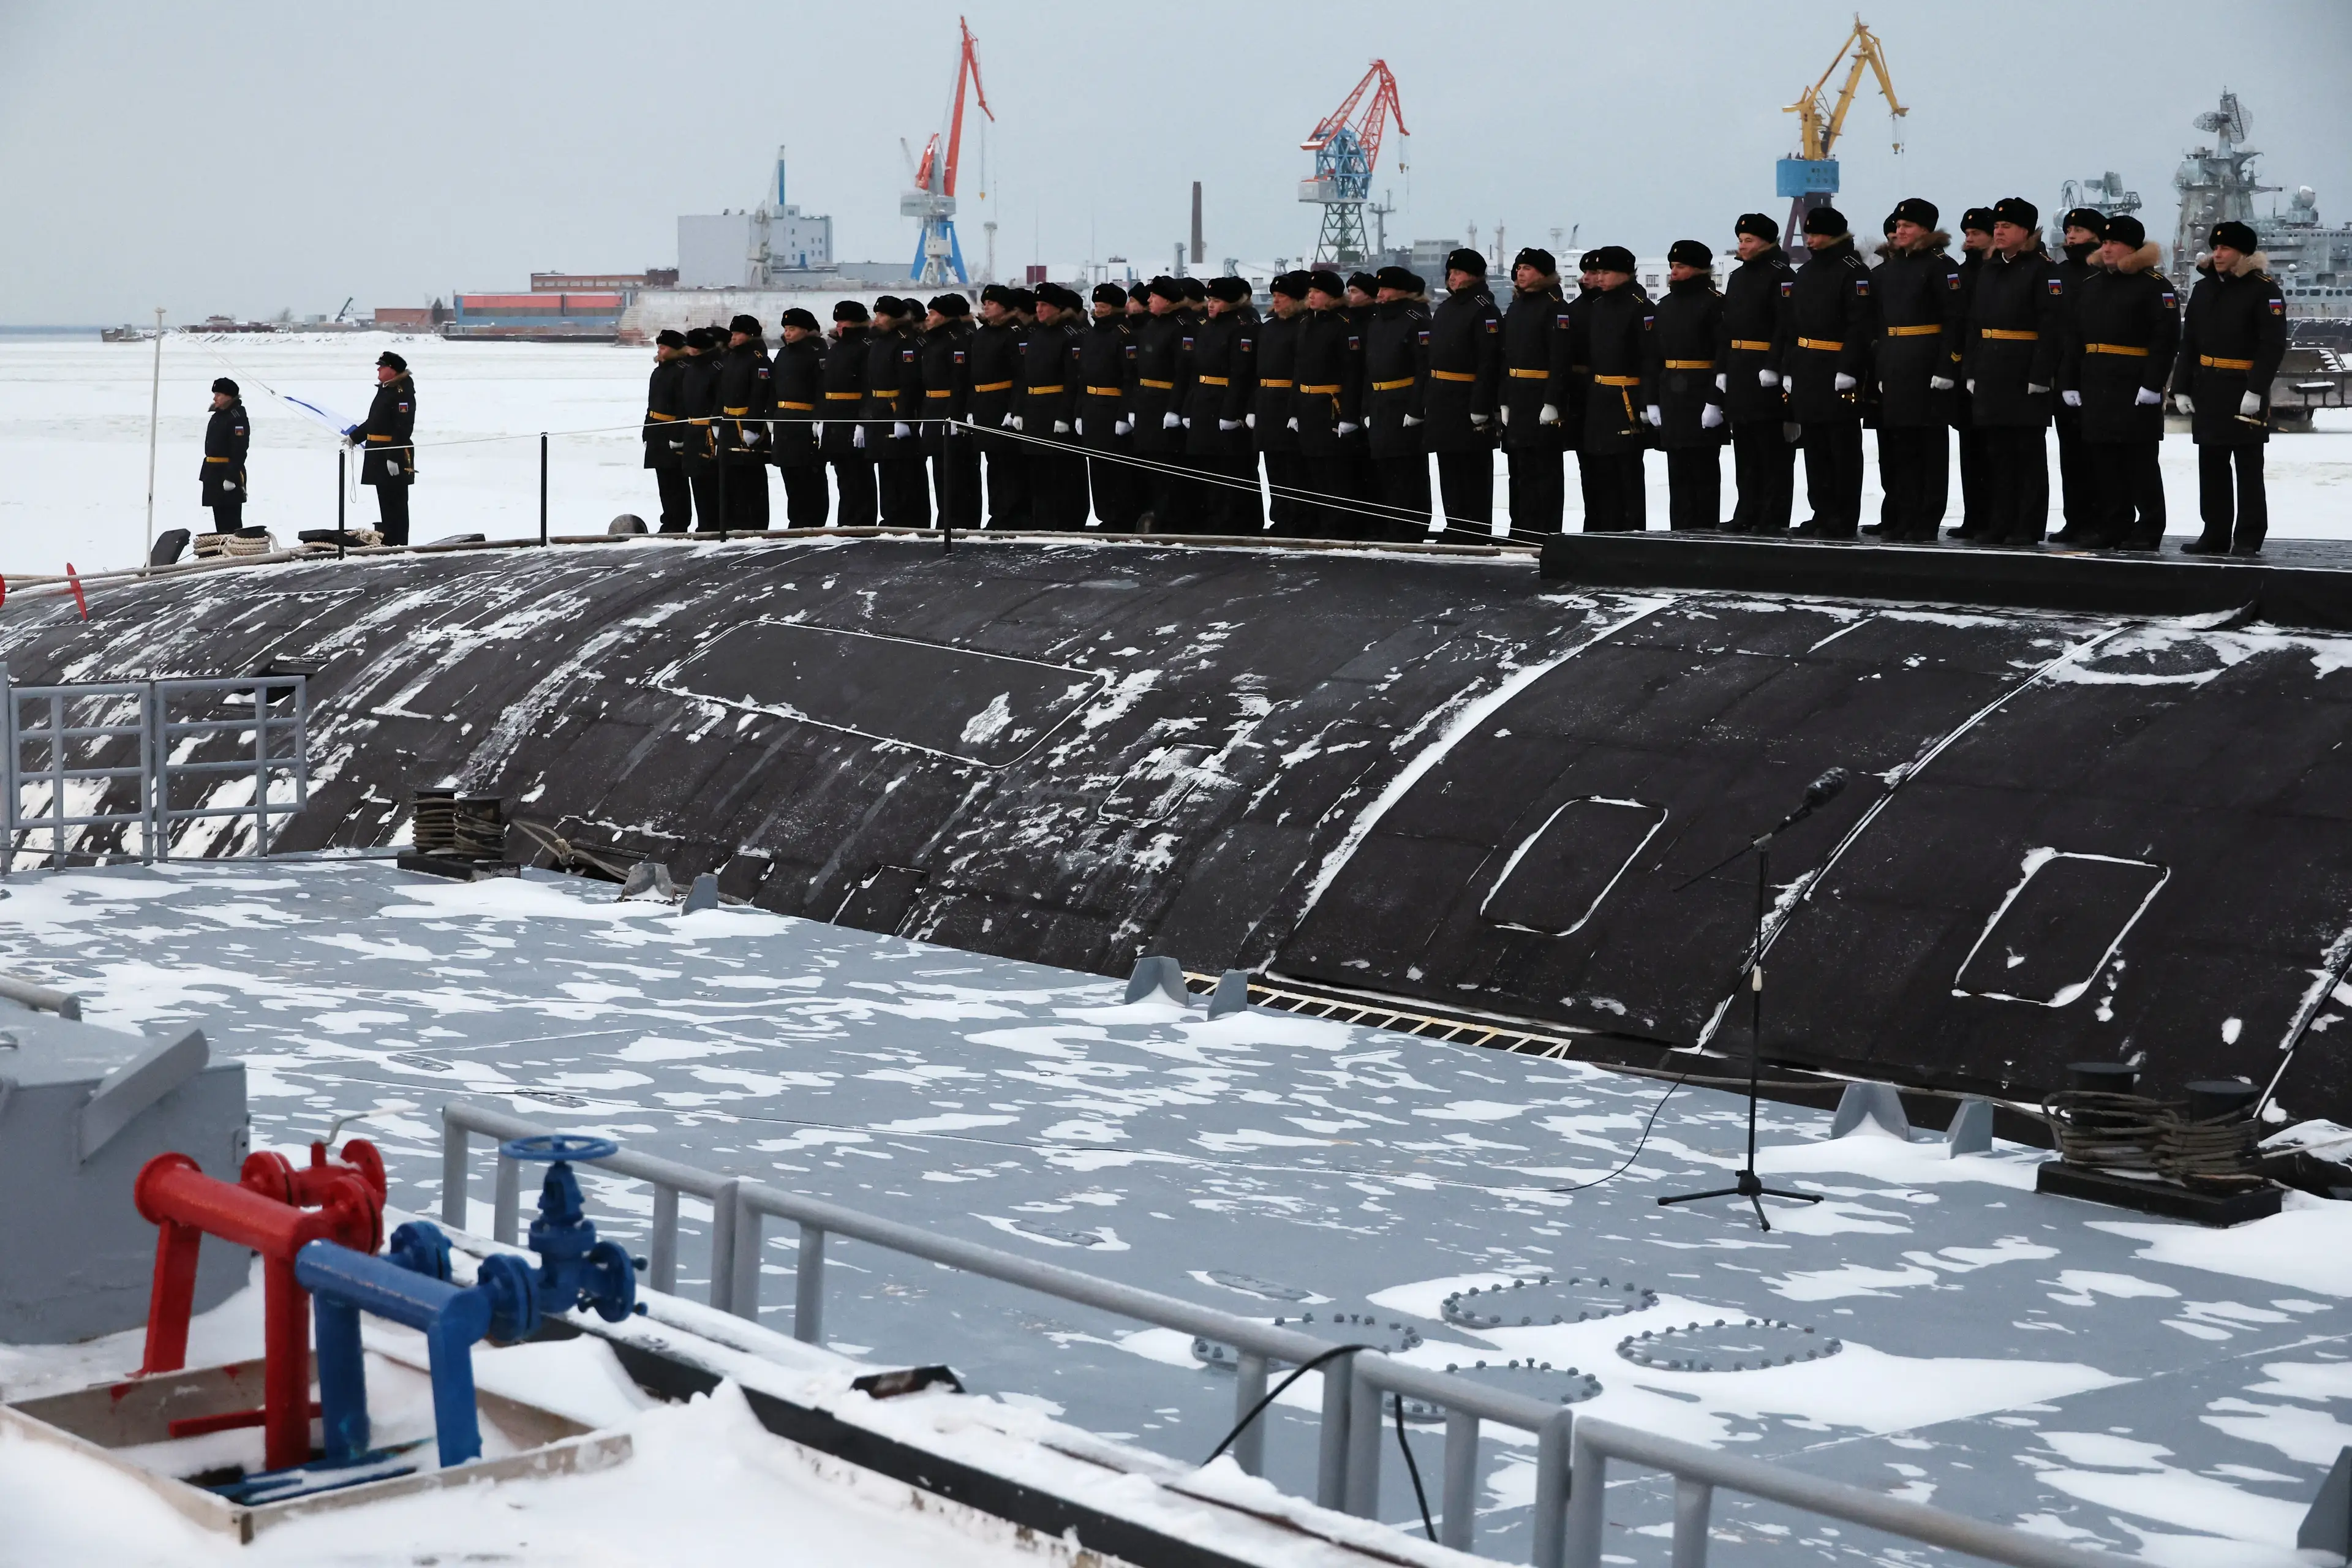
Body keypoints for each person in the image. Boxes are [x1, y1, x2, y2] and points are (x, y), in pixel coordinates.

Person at [2060, 214, 2177, 551]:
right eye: (2105, 242)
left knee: (2139, 460)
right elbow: (2075, 338)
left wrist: (2152, 384)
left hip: (2133, 383)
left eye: (2114, 243)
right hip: (2096, 381)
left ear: (2132, 247)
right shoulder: (2092, 285)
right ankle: (2116, 523)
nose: (2106, 248)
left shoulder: (2155, 286)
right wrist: (2070, 381)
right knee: (2104, 460)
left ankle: (2150, 525)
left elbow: (2165, 340)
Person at [2173, 219, 2287, 555]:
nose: (2217, 254)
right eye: (2215, 248)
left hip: (2242, 390)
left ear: (2243, 253)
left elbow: (2272, 346)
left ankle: (2249, 536)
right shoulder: (2204, 289)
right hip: (2208, 387)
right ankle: (2215, 533)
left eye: (2225, 248)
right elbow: (2189, 343)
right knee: (2211, 464)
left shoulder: (2264, 289)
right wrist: (2181, 388)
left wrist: (2255, 391)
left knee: (2249, 467)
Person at [1966, 197, 2065, 547]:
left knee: (2027, 455)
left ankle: (2027, 525)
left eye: (2006, 226)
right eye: (1996, 226)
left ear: (2026, 231)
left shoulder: (2042, 269)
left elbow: (2051, 327)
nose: (1999, 231)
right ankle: (2000, 521)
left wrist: (2041, 376)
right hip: (1992, 370)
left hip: (2023, 373)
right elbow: (1976, 322)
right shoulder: (1990, 268)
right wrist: (1972, 367)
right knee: (1997, 455)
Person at [1777, 206, 1875, 540]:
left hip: (1835, 368)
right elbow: (1792, 326)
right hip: (1807, 368)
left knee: (1842, 449)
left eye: (1816, 233)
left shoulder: (1852, 271)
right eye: (1807, 233)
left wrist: (1849, 368)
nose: (1810, 239)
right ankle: (1821, 511)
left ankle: (1843, 516)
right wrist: (1789, 367)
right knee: (1815, 447)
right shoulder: (1805, 272)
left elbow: (1860, 326)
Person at [1870, 198, 1963, 542]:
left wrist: (1946, 366)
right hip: (1896, 364)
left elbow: (1954, 320)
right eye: (1897, 225)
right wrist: (1882, 370)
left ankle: (1927, 517)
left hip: (1927, 364)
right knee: (1901, 446)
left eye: (1907, 225)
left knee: (1929, 447)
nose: (1900, 231)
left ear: (1926, 229)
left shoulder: (1941, 266)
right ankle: (1905, 515)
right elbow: (1884, 325)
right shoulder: (1894, 268)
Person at [1718, 214, 1796, 534]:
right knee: (1745, 447)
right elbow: (1727, 328)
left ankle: (1773, 514)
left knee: (1771, 449)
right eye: (1740, 240)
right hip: (1739, 369)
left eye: (1748, 240)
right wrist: (1722, 368)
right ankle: (1747, 509)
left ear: (1766, 241)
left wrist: (1775, 365)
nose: (1742, 246)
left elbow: (1785, 325)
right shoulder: (1737, 277)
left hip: (1765, 368)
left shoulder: (1782, 276)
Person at [1644, 241, 1726, 531]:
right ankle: (1679, 529)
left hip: (1700, 393)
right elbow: (1653, 356)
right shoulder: (1664, 306)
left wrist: (1715, 401)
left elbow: (1722, 356)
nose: (1673, 272)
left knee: (1703, 469)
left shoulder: (1715, 303)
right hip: (1671, 395)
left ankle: (1704, 530)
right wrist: (1652, 399)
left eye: (1680, 267)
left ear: (1698, 269)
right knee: (1677, 469)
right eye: (1672, 267)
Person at [1423, 247, 1501, 536]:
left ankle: (1475, 528)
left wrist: (1481, 406)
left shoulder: (1483, 309)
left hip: (1467, 399)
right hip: (1443, 401)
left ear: (1474, 276)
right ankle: (1455, 523)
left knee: (1473, 471)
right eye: (1451, 273)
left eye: (1458, 273)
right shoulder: (1446, 308)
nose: (1452, 278)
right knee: (1449, 468)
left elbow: (1489, 361)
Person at [1499, 247, 1571, 541]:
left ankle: (1544, 532)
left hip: (1540, 396)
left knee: (1544, 472)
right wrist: (1503, 399)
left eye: (1527, 268)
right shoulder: (1516, 306)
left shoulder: (1554, 306)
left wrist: (1552, 401)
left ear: (1542, 273)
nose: (1520, 273)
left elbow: (1561, 359)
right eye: (1518, 268)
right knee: (1518, 470)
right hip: (1518, 398)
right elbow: (1506, 357)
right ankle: (1521, 529)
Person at [1578, 245, 1651, 531]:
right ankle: (1605, 527)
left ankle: (1631, 529)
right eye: (1597, 272)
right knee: (1601, 468)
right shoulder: (1599, 306)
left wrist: (1646, 403)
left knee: (1627, 470)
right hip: (1600, 397)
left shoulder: (1639, 306)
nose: (1600, 278)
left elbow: (1648, 358)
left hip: (1626, 397)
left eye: (1606, 272)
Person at [2048, 206, 2109, 544]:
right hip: (2065, 374)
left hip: (2098, 374)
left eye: (2079, 231)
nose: (2071, 236)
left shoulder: (2103, 274)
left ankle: (2104, 519)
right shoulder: (2057, 274)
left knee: (2099, 453)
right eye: (2069, 230)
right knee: (2070, 454)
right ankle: (2076, 518)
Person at [1358, 265, 1431, 541]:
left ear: (1401, 290)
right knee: (1384, 470)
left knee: (1407, 471)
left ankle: (1412, 526)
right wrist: (1366, 407)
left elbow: (1423, 369)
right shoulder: (1377, 321)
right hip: (1379, 403)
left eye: (1386, 288)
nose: (1381, 294)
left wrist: (1416, 408)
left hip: (1403, 403)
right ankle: (1392, 525)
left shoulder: (1415, 319)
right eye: (1380, 289)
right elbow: (1370, 368)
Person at [1291, 269, 1365, 538]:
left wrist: (1349, 414)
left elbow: (1353, 374)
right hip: (1308, 405)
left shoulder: (1344, 325)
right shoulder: (1305, 324)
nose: (1311, 296)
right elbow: (1298, 370)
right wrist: (1294, 409)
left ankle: (1339, 526)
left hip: (1331, 406)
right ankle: (1321, 523)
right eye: (1310, 292)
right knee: (1313, 470)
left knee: (1335, 472)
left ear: (1331, 296)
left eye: (1317, 292)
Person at [1185, 276, 1262, 535]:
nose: (1211, 305)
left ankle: (1237, 521)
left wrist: (1231, 412)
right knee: (1209, 465)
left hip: (1226, 402)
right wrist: (1189, 407)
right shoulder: (1208, 327)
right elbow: (1195, 371)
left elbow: (1242, 374)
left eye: (1216, 301)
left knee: (1232, 467)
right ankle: (1215, 518)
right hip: (1204, 401)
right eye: (1210, 300)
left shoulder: (1242, 328)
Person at [1019, 283, 1088, 529]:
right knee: (1039, 471)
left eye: (1044, 305)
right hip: (1035, 410)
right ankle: (1043, 520)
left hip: (1056, 409)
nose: (1039, 310)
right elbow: (1024, 376)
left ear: (1058, 308)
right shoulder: (1036, 334)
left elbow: (1073, 380)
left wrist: (1065, 415)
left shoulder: (1070, 335)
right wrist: (1020, 410)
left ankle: (1067, 521)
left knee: (1063, 471)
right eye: (1037, 305)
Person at [1948, 209, 1997, 539]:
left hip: (1993, 369)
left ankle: (1995, 517)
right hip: (1964, 369)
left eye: (1976, 233)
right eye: (1966, 233)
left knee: (1994, 450)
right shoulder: (1960, 274)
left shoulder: (1995, 273)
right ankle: (1974, 515)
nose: (1969, 239)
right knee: (1970, 450)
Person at [1129, 278, 1193, 530]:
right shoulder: (1151, 326)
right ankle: (1156, 515)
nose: (1149, 301)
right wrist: (1134, 405)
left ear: (1167, 300)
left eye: (1154, 297)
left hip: (1165, 403)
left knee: (1169, 468)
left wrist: (1175, 409)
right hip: (1147, 404)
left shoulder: (1181, 327)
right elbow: (1138, 372)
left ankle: (1172, 519)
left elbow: (1183, 373)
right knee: (1151, 467)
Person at [1077, 282, 1139, 528]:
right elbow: (1083, 376)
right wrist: (1079, 411)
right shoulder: (1092, 334)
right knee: (1098, 467)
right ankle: (1105, 514)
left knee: (1118, 468)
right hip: (1092, 407)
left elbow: (1130, 378)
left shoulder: (1124, 334)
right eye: (1096, 306)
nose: (1098, 311)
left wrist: (1124, 415)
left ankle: (1121, 516)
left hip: (1113, 408)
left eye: (1103, 307)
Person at [863, 298, 928, 529]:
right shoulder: (880, 342)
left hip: (896, 411)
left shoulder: (905, 342)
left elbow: (910, 384)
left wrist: (903, 418)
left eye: (882, 315)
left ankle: (909, 519)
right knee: (887, 468)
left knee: (906, 471)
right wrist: (865, 418)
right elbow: (870, 383)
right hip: (879, 412)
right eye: (876, 314)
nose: (877, 319)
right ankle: (891, 516)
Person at [968, 286, 1028, 528]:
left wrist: (1014, 409)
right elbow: (973, 376)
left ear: (1004, 307)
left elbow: (1021, 375)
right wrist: (971, 407)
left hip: (1003, 404)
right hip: (984, 405)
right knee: (993, 463)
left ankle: (1013, 514)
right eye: (985, 302)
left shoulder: (1013, 333)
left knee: (1010, 465)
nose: (986, 306)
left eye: (992, 302)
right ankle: (998, 513)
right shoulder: (982, 334)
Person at [1255, 273, 1309, 535]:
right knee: (1273, 465)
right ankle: (1280, 516)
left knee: (1294, 467)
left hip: (1289, 399)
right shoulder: (1269, 327)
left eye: (1282, 297)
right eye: (1274, 296)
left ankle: (1299, 519)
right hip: (1267, 402)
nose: (1276, 301)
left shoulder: (1303, 325)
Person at [345, 350, 417, 546]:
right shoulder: (386, 390)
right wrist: (354, 437)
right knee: (386, 502)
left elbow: (403, 428)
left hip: (392, 454)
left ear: (392, 371)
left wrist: (393, 457)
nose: (378, 369)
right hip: (377, 453)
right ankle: (390, 542)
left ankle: (399, 544)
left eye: (382, 366)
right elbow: (375, 421)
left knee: (397, 505)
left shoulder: (402, 393)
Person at [922, 294, 979, 530]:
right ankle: (946, 518)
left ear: (943, 316)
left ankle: (960, 521)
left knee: (959, 472)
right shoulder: (934, 340)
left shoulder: (957, 340)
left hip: (950, 410)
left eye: (932, 313)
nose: (928, 318)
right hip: (934, 410)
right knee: (941, 469)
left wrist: (956, 415)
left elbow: (960, 381)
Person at [715, 314, 774, 530]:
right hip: (729, 422)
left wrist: (752, 427)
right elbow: (722, 392)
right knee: (731, 480)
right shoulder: (731, 358)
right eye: (733, 333)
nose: (733, 338)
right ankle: (734, 524)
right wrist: (717, 420)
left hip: (745, 425)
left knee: (752, 480)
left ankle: (755, 525)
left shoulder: (759, 360)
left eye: (738, 333)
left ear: (750, 335)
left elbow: (760, 395)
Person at [771, 309, 827, 529]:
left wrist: (818, 419)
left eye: (792, 329)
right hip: (785, 420)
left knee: (810, 475)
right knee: (790, 473)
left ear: (805, 330)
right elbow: (773, 389)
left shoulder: (816, 352)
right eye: (786, 329)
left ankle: (814, 521)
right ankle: (796, 520)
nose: (788, 334)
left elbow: (821, 389)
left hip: (805, 420)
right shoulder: (784, 354)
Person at [821, 301, 876, 529]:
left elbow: (868, 385)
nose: (839, 326)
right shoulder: (837, 347)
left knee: (859, 474)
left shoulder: (866, 346)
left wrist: (863, 422)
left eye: (843, 322)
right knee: (843, 474)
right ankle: (847, 519)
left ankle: (861, 520)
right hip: (836, 418)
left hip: (853, 416)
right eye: (838, 322)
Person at [641, 331, 692, 532]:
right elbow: (652, 404)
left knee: (676, 483)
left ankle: (678, 523)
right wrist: (647, 429)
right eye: (659, 347)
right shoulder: (659, 371)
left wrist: (677, 435)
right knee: (664, 482)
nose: (659, 352)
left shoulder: (682, 371)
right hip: (657, 431)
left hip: (671, 431)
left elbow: (683, 407)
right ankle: (669, 520)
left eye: (664, 348)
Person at [200, 377, 250, 535]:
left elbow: (239, 450)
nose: (215, 398)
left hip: (228, 474)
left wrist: (230, 477)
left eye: (219, 394)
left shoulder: (237, 417)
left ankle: (237, 553)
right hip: (214, 473)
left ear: (229, 396)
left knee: (232, 523)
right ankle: (224, 552)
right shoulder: (219, 415)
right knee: (220, 522)